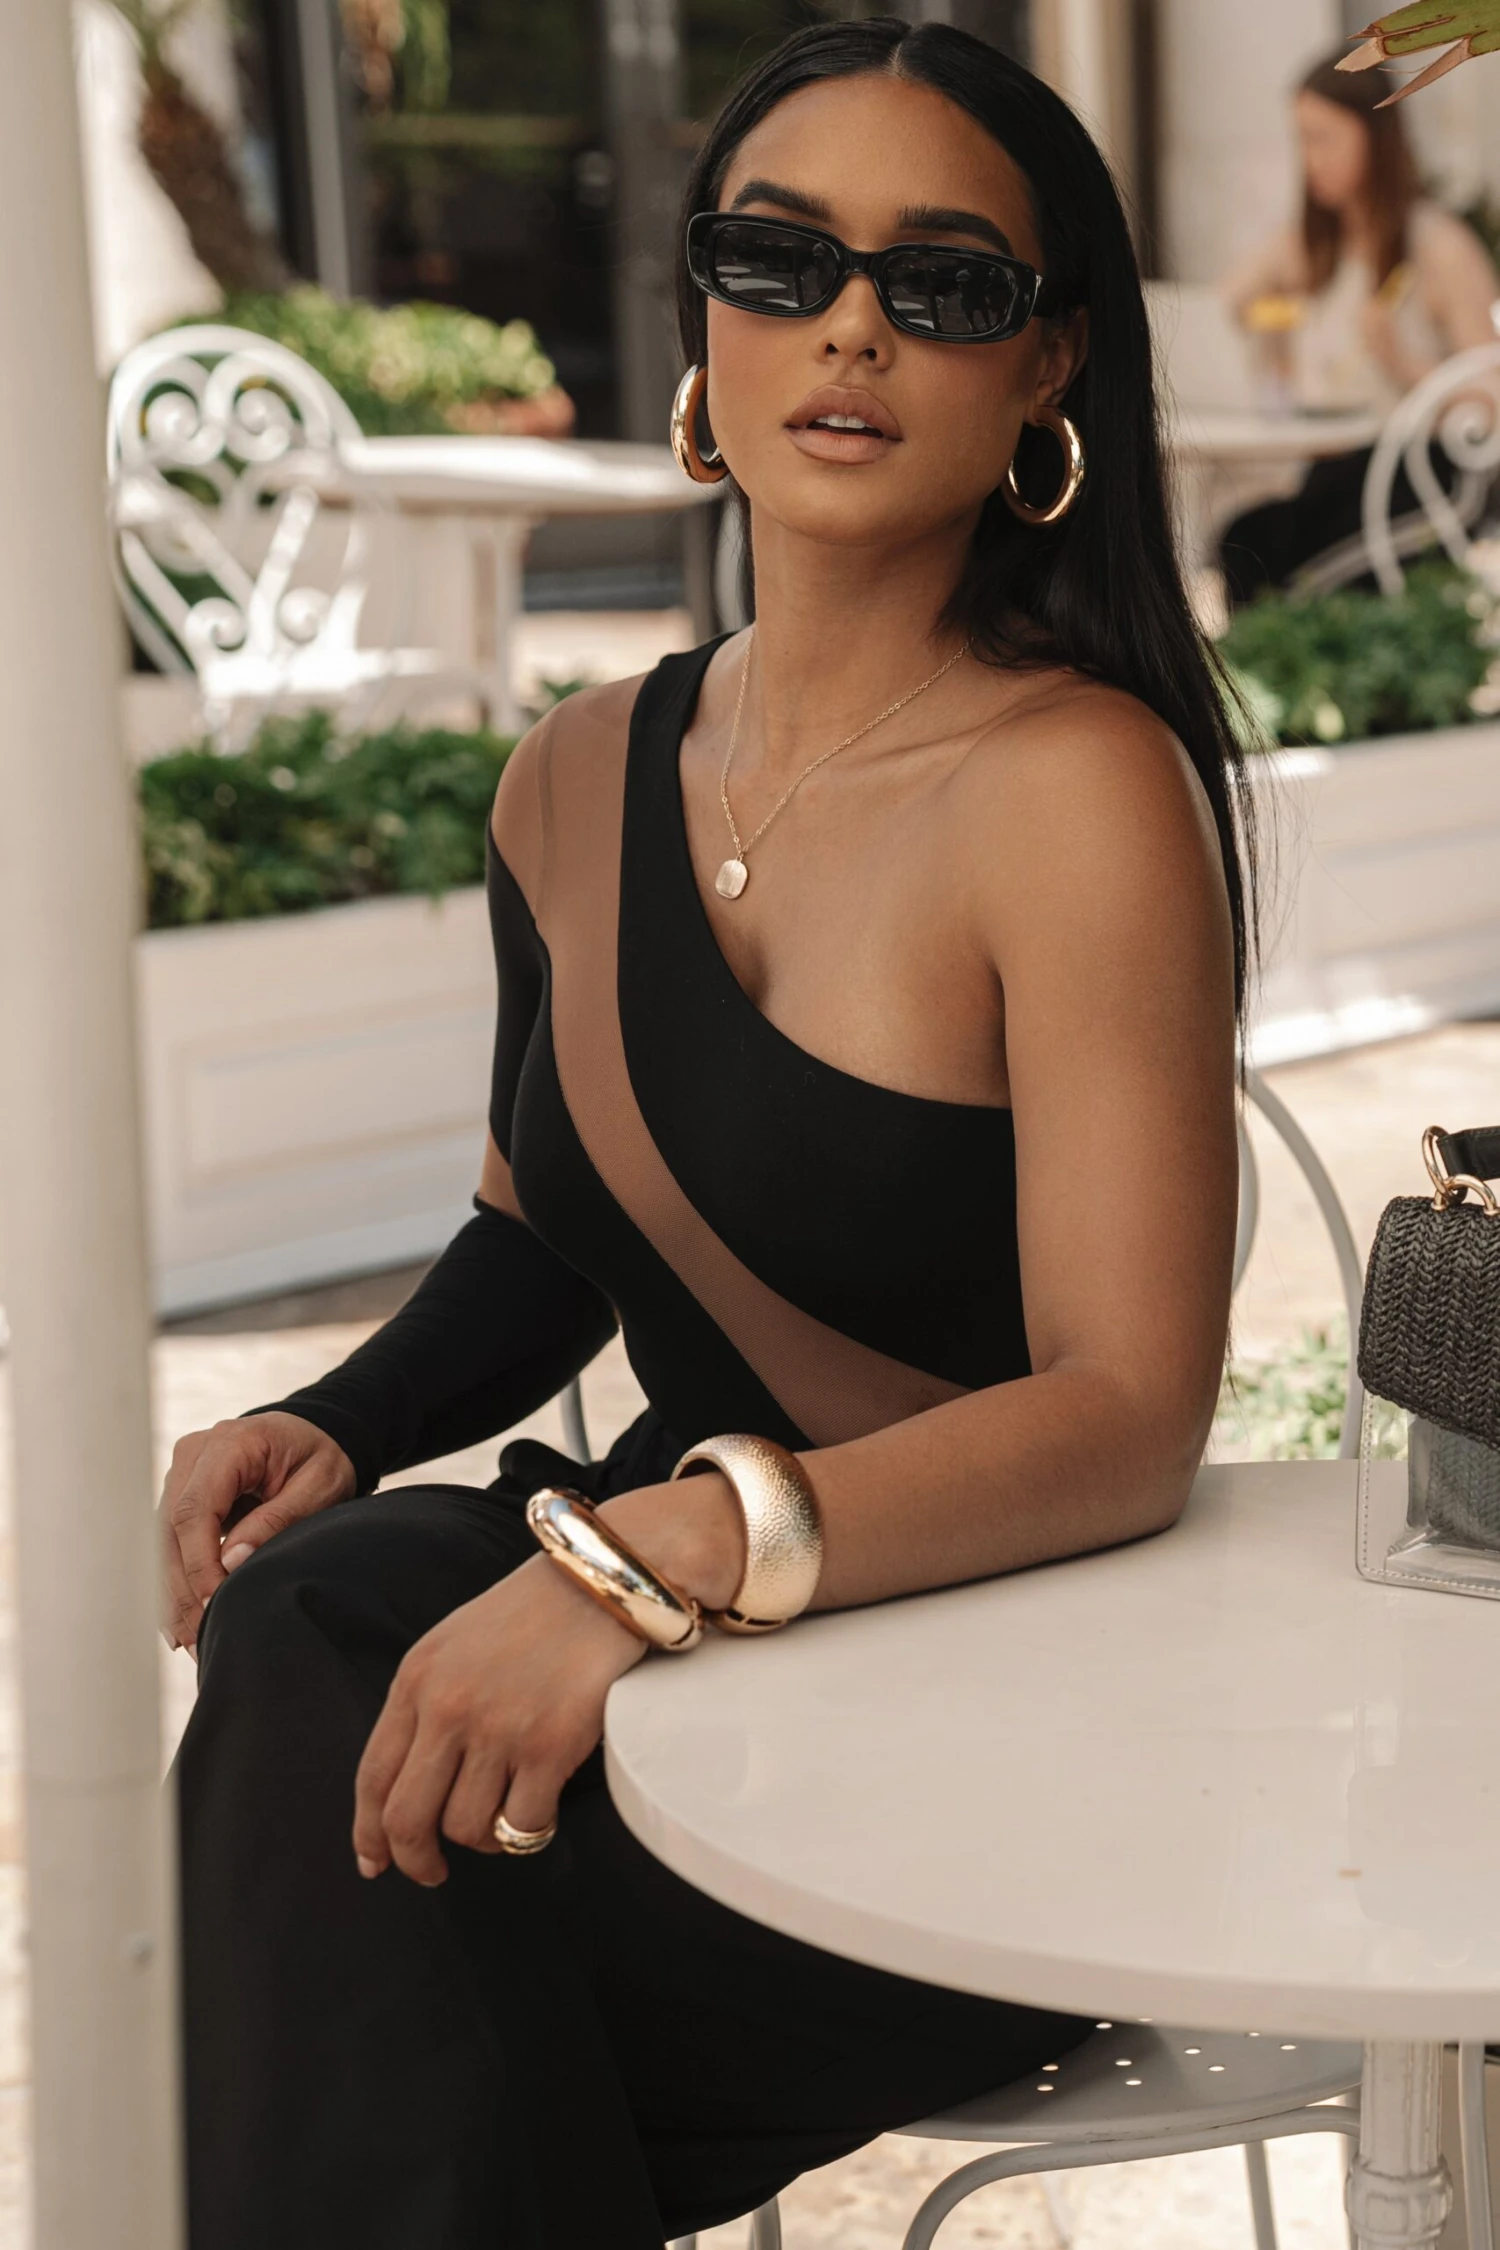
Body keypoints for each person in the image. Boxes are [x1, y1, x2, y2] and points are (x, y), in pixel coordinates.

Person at [165, 19, 1250, 2247]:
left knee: (359, 1930)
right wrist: (337, 1420)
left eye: (940, 283)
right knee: (318, 1638)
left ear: (1046, 364)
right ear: (703, 319)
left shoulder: (1075, 791)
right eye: (781, 259)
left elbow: (1131, 1411)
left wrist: (645, 1565)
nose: (849, 326)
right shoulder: (574, 775)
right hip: (681, 1633)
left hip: (991, 1691)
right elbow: (546, 1231)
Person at [1218, 51, 1499, 607]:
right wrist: (1276, 310)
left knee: (1262, 558)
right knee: (1242, 540)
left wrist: (1403, 362)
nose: (1311, 160)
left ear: (1375, 137)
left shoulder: (1437, 246)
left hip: (1416, 482)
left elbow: (1490, 396)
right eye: (1302, 140)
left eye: (1324, 139)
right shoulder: (1318, 248)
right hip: (1336, 471)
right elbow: (1234, 298)